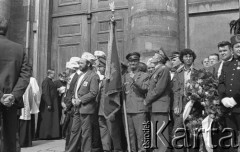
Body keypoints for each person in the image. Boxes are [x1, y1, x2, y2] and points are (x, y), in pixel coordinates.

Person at [0, 17, 31, 152]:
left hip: (6, 100)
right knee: (10, 141)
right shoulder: (19, 48)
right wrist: (13, 95)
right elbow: (25, 75)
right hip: (11, 104)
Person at [67, 52, 99, 152]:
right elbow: (76, 90)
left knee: (86, 133)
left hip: (86, 109)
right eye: (79, 63)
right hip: (77, 108)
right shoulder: (80, 75)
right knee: (74, 131)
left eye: (81, 63)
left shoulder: (93, 76)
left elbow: (93, 93)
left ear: (88, 64)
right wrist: (73, 98)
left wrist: (80, 100)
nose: (79, 65)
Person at [172, 49, 197, 152]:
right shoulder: (178, 73)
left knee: (193, 130)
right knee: (178, 130)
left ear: (193, 58)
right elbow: (176, 91)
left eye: (190, 56)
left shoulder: (198, 71)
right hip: (182, 103)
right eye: (185, 56)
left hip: (194, 103)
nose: (188, 58)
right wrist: (176, 105)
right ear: (182, 58)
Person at [144, 53, 171, 152]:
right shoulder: (157, 69)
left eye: (155, 56)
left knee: (161, 131)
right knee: (156, 130)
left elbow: (159, 89)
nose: (152, 58)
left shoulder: (163, 69)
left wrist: (147, 100)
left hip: (160, 105)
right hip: (155, 105)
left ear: (160, 59)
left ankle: (162, 150)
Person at [218, 34, 240, 152]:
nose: (239, 49)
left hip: (239, 106)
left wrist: (235, 100)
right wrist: (223, 98)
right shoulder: (227, 65)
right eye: (237, 47)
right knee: (230, 141)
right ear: (232, 49)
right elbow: (221, 83)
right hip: (229, 110)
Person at [97, 56, 124, 152]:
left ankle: (117, 149)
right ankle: (106, 149)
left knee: (114, 132)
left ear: (106, 68)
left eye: (100, 67)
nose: (98, 69)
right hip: (101, 110)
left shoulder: (112, 81)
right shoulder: (102, 80)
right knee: (103, 133)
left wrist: (114, 111)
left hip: (110, 110)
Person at [124, 52, 149, 152]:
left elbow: (144, 88)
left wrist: (134, 78)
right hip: (127, 109)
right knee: (130, 135)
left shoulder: (145, 75)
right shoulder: (125, 76)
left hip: (139, 109)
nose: (132, 63)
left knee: (141, 134)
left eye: (135, 61)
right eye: (130, 61)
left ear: (138, 62)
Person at [36, 69, 61, 139]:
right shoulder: (46, 81)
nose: (54, 75)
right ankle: (45, 134)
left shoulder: (50, 81)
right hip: (47, 103)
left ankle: (51, 134)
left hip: (52, 101)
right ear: (49, 74)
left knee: (51, 119)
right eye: (53, 74)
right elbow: (45, 93)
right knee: (46, 119)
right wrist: (49, 103)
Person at [63, 59, 81, 151]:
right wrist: (63, 101)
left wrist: (67, 105)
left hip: (72, 108)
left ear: (72, 69)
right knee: (68, 131)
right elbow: (67, 92)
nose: (66, 71)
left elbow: (73, 93)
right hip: (68, 106)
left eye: (67, 69)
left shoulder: (76, 77)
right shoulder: (71, 77)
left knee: (72, 130)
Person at [19, 76, 40, 147]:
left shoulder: (16, 83)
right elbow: (33, 95)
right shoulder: (28, 83)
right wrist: (31, 107)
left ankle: (20, 142)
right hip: (25, 108)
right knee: (24, 125)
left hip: (20, 108)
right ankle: (25, 142)